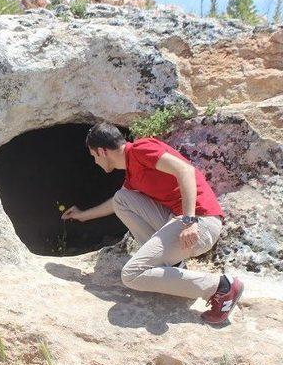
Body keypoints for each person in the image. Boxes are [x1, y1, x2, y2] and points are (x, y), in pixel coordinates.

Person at [62, 122, 243, 324]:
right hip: (178, 221)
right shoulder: (132, 174)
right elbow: (115, 204)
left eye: (94, 156)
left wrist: (189, 220)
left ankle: (221, 286)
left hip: (201, 222)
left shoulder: (141, 149)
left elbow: (185, 170)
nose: (95, 161)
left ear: (103, 151)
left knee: (131, 275)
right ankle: (172, 264)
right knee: (122, 198)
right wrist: (82, 215)